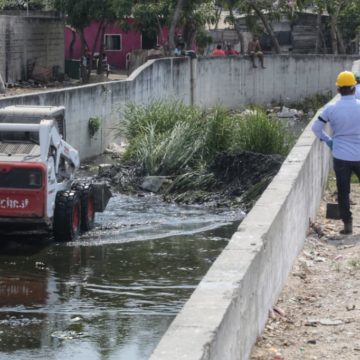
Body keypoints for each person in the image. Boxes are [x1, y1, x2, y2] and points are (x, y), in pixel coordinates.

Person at [312, 71, 360, 235]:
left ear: (338, 90)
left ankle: (347, 226)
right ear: (354, 88)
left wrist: (329, 141)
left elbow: (316, 128)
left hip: (341, 155)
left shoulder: (331, 108)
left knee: (343, 190)